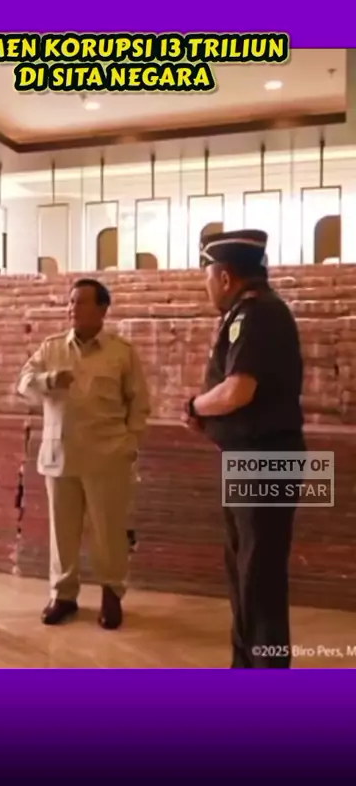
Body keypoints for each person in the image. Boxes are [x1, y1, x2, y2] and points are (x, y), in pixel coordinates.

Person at [186, 229, 305, 668]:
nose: (207, 286)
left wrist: (196, 406)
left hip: (266, 459)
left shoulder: (258, 314)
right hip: (253, 457)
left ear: (225, 276)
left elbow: (238, 390)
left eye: (208, 276)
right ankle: (246, 669)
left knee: (259, 577)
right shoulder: (250, 312)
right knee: (246, 572)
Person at [17, 278, 150, 630]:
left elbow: (139, 402)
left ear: (103, 309)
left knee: (109, 531)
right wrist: (48, 381)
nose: (73, 308)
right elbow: (23, 384)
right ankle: (63, 595)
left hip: (107, 457)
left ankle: (111, 593)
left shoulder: (121, 352)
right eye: (71, 301)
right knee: (62, 531)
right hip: (59, 454)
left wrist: (129, 443)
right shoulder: (51, 349)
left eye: (81, 302)